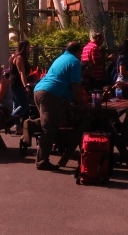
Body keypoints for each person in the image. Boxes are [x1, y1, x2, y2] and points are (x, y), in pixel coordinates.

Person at [32, 41, 87, 171]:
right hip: (52, 94)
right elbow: (75, 85)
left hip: (39, 90)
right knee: (49, 127)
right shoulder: (75, 62)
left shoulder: (60, 58)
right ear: (79, 51)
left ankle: (33, 124)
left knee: (54, 121)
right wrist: (81, 102)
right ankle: (42, 161)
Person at [9, 40, 32, 122]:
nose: (29, 48)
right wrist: (26, 86)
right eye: (28, 47)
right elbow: (21, 72)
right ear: (24, 47)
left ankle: (17, 126)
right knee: (24, 105)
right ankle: (8, 120)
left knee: (16, 105)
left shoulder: (14, 56)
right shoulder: (19, 57)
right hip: (17, 83)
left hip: (14, 82)